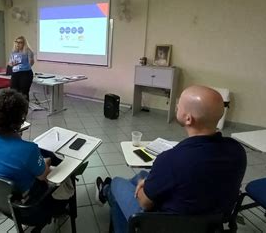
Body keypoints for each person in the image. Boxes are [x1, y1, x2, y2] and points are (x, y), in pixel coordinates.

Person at [95, 85, 247, 233]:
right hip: (210, 223)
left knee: (117, 183)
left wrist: (145, 189)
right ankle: (128, 188)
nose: (176, 107)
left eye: (179, 105)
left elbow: (144, 203)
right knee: (142, 176)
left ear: (188, 119)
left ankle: (106, 190)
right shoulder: (237, 150)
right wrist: (148, 182)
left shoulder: (171, 159)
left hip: (162, 224)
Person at [0, 89, 66, 230]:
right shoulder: (29, 150)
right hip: (28, 210)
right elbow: (43, 175)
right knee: (62, 170)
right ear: (20, 120)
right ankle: (63, 210)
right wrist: (46, 161)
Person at [8, 36, 34, 101]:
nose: (18, 44)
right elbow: (9, 63)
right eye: (17, 42)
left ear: (24, 43)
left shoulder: (28, 51)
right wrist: (12, 64)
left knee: (23, 93)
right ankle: (15, 109)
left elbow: (31, 63)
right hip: (15, 73)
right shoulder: (14, 52)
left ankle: (24, 109)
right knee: (13, 92)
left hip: (25, 73)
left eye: (20, 42)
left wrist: (24, 66)